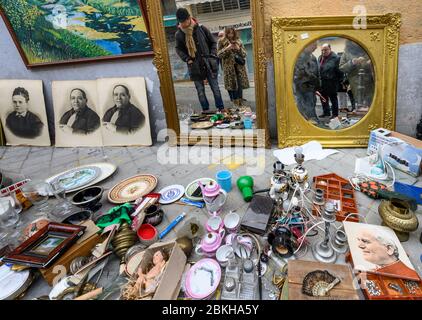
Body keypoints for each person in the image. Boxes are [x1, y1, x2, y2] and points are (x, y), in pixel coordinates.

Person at [175, 8, 224, 111]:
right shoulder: (179, 34)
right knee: (200, 91)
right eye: (181, 22)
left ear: (189, 18)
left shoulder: (201, 29)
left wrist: (212, 54)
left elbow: (213, 42)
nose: (183, 24)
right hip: (194, 65)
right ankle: (206, 111)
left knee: (215, 88)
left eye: (184, 21)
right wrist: (187, 59)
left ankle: (221, 109)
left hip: (208, 63)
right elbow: (179, 49)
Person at [217, 27, 250, 108]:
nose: (231, 35)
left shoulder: (239, 41)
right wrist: (227, 48)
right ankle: (235, 102)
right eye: (229, 33)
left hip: (239, 67)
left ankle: (240, 102)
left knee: (239, 85)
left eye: (232, 33)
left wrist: (238, 49)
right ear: (226, 33)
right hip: (229, 68)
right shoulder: (221, 41)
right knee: (232, 86)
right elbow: (219, 55)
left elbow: (244, 54)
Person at [339, 40, 374, 112]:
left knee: (371, 102)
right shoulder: (346, 53)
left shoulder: (367, 50)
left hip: (369, 82)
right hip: (355, 82)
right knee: (359, 103)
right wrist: (352, 62)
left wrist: (371, 63)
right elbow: (342, 68)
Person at [293, 42, 320, 123]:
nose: (315, 47)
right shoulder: (299, 56)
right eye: (314, 45)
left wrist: (317, 84)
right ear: (308, 45)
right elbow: (299, 71)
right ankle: (306, 122)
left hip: (311, 86)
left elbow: (316, 71)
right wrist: (310, 75)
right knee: (303, 105)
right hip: (301, 85)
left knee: (311, 103)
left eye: (316, 46)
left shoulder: (313, 57)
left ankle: (313, 120)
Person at [318, 44, 343, 119]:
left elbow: (340, 72)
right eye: (322, 50)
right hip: (322, 82)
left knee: (333, 99)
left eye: (325, 49)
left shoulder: (336, 58)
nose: (323, 51)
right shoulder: (320, 57)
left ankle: (335, 114)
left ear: (330, 49)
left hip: (332, 83)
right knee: (323, 98)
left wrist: (338, 82)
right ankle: (326, 112)